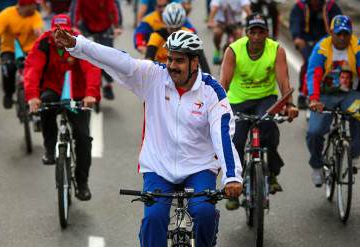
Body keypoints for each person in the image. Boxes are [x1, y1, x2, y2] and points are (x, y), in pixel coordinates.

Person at [55, 28, 243, 246]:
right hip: (158, 167)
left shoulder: (212, 91)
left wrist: (232, 177)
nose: (172, 65)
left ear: (195, 62)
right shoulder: (154, 76)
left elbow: (222, 134)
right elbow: (116, 60)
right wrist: (77, 44)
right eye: (170, 59)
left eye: (179, 61)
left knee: (204, 212)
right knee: (154, 219)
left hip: (198, 167)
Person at [220, 13, 299, 208]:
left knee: (269, 129)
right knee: (236, 140)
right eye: (252, 32)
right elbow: (223, 84)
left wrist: (288, 104)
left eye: (261, 32)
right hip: (238, 100)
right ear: (246, 33)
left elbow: (283, 80)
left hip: (265, 98)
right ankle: (234, 185)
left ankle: (271, 173)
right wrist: (217, 108)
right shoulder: (233, 50)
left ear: (267, 33)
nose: (256, 36)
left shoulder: (276, 50)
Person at [24, 14, 101, 201]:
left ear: (70, 30)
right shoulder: (43, 43)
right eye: (56, 33)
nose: (60, 37)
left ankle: (82, 184)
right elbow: (32, 69)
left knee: (83, 138)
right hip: (53, 89)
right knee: (46, 107)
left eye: (64, 32)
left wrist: (91, 94)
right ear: (51, 32)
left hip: (79, 93)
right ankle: (50, 149)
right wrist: (32, 96)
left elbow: (91, 68)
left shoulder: (79, 43)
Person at [306, 15, 360, 187]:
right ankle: (316, 165)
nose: (342, 38)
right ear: (331, 33)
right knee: (314, 132)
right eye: (339, 34)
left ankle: (352, 154)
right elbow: (313, 74)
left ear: (350, 34)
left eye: (346, 34)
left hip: (349, 94)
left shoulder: (357, 47)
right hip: (324, 95)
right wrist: (314, 99)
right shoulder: (322, 48)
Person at [0, 0, 43, 109]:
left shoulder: (35, 15)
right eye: (33, 5)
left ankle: (38, 95)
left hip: (30, 50)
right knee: (8, 69)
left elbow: (39, 32)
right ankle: (8, 94)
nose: (35, 8)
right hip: (9, 49)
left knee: (39, 69)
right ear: (24, 6)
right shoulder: (6, 14)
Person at [289, 0, 341, 109]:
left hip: (326, 42)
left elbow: (339, 23)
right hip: (306, 42)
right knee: (309, 63)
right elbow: (295, 22)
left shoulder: (331, 6)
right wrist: (297, 37)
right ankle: (302, 93)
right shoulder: (300, 6)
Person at [72, 0, 122, 100]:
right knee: (84, 55)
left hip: (105, 28)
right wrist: (74, 27)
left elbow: (113, 10)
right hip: (87, 27)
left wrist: (116, 26)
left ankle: (108, 84)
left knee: (107, 57)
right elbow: (76, 11)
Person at [145, 3, 210, 73]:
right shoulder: (156, 35)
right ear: (165, 24)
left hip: (182, 73)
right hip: (161, 73)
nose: (174, 32)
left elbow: (202, 60)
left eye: (177, 29)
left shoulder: (189, 34)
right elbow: (148, 58)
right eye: (171, 29)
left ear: (182, 25)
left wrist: (209, 79)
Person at [207, 0, 251, 65]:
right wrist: (210, 21)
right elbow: (214, 8)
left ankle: (237, 54)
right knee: (217, 33)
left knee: (238, 34)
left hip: (236, 23)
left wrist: (250, 20)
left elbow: (247, 8)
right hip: (221, 23)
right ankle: (217, 49)